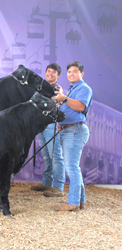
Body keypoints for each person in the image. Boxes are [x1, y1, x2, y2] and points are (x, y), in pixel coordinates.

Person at [53, 61, 93, 211]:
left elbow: (80, 106)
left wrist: (63, 98)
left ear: (81, 74)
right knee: (73, 167)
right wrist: (61, 123)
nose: (71, 74)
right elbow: (70, 109)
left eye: (75, 71)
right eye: (69, 71)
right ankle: (79, 201)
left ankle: (74, 203)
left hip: (75, 131)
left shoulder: (84, 88)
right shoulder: (71, 90)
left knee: (71, 167)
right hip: (68, 129)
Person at [30, 63, 65, 197]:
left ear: (58, 75)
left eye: (53, 72)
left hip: (51, 124)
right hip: (42, 124)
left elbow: (49, 104)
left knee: (55, 155)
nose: (50, 73)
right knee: (46, 155)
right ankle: (46, 182)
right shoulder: (42, 87)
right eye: (48, 71)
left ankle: (58, 186)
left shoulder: (56, 88)